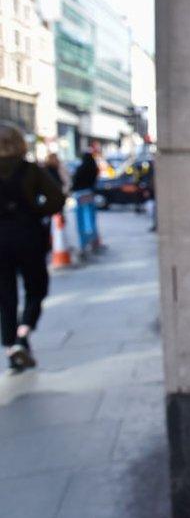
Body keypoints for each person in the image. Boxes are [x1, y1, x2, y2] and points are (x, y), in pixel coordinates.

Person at [0, 124, 65, 371]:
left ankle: (11, 348)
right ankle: (23, 334)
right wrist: (35, 211)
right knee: (36, 288)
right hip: (28, 236)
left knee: (5, 296)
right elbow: (57, 199)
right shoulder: (31, 171)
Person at [71, 147, 100, 253]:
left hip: (80, 195)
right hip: (90, 194)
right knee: (91, 220)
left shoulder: (80, 169)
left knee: (82, 222)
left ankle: (84, 244)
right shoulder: (94, 168)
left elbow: (74, 183)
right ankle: (93, 242)